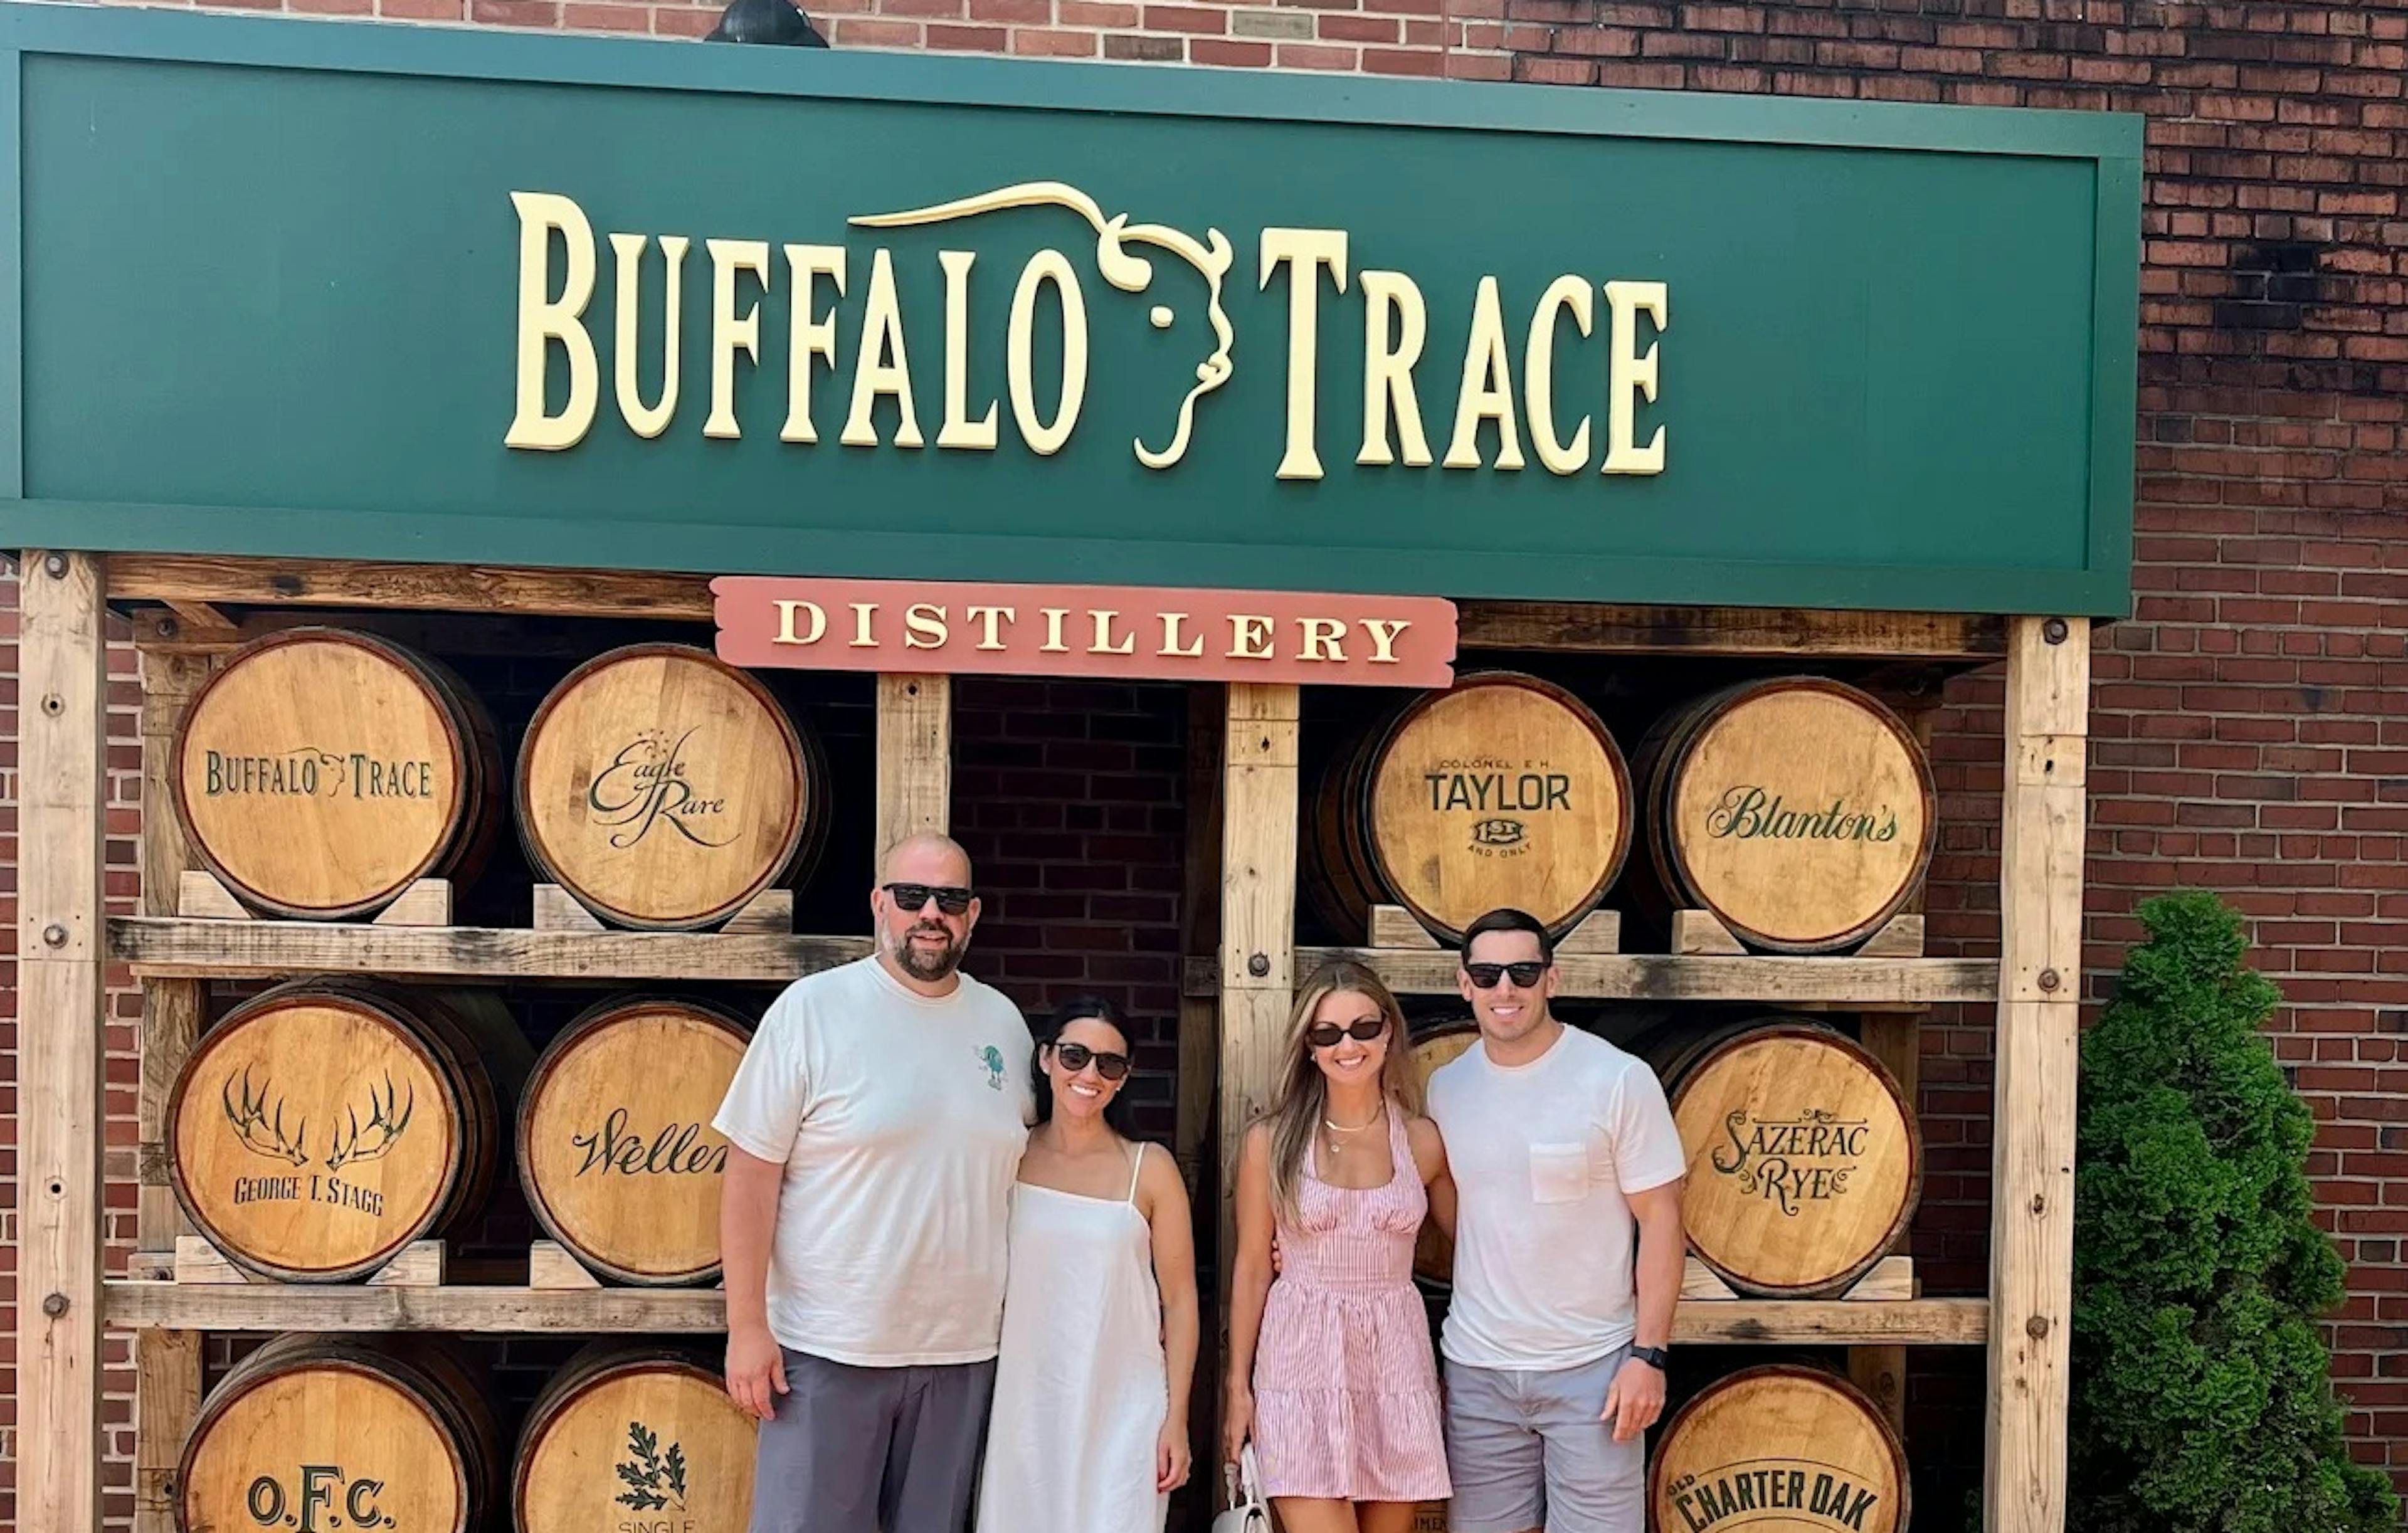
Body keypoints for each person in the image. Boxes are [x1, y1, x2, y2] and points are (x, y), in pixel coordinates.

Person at [713, 832, 1035, 1533]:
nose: (931, 913)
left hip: (962, 1353)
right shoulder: (813, 1010)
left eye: (950, 899)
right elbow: (750, 1174)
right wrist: (746, 1327)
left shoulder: (1003, 1025)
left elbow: (1033, 1170)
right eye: (912, 896)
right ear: (879, 905)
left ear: (973, 914)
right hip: (832, 1348)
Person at [1423, 908, 1686, 1533]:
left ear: (1551, 979)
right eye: (1487, 975)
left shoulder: (1617, 1079)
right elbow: (1457, 1210)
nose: (1504, 989)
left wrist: (1648, 1355)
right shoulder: (1447, 1087)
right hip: (1478, 1369)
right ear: (1465, 986)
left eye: (1522, 971)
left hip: (1593, 1369)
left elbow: (1663, 1222)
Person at [1223, 960, 1453, 1533]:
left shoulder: (1422, 1141)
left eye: (1362, 1028)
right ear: (1308, 1046)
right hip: (1300, 1365)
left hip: (1395, 1368)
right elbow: (1252, 1265)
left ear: (1388, 1032)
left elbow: (1477, 1248)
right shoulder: (1271, 1141)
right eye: (1326, 1033)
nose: (1346, 1045)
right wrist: (1237, 1386)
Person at [974, 996, 1200, 1533]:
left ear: (1124, 1078)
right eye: (1075, 1056)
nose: (1090, 1073)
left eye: (1110, 1063)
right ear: (1046, 1059)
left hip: (1123, 1401)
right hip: (1023, 1401)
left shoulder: (1149, 1167)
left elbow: (1182, 1299)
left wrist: (1177, 1418)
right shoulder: (1009, 1152)